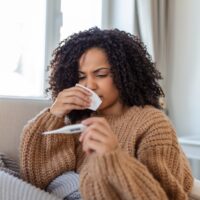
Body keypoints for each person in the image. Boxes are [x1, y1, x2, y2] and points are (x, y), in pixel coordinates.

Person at [20, 27, 193, 200]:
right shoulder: (78, 119)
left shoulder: (152, 124)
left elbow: (166, 195)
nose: (89, 85)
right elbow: (38, 178)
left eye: (101, 74)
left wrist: (113, 156)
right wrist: (53, 114)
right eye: (81, 77)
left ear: (125, 73)